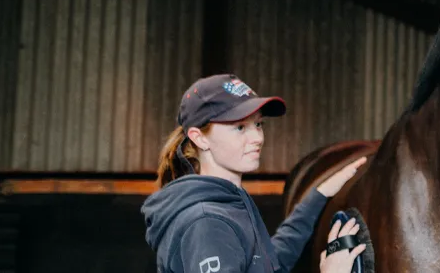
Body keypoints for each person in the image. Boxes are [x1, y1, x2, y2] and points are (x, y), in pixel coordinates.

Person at [142, 73, 366, 273]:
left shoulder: (230, 201)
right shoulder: (207, 224)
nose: (257, 138)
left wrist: (318, 194)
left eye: (258, 125)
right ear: (199, 138)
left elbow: (269, 263)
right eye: (240, 127)